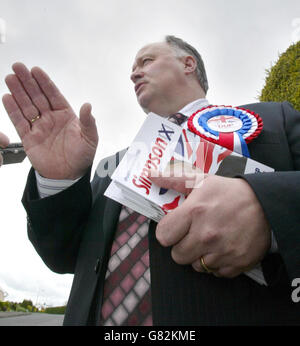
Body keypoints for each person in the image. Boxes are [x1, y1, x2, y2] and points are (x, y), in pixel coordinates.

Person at [2, 36, 300, 326]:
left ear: (188, 63)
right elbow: (62, 257)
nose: (134, 73)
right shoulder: (111, 167)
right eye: (132, 68)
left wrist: (268, 210)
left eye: (146, 60)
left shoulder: (274, 119)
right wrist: (60, 180)